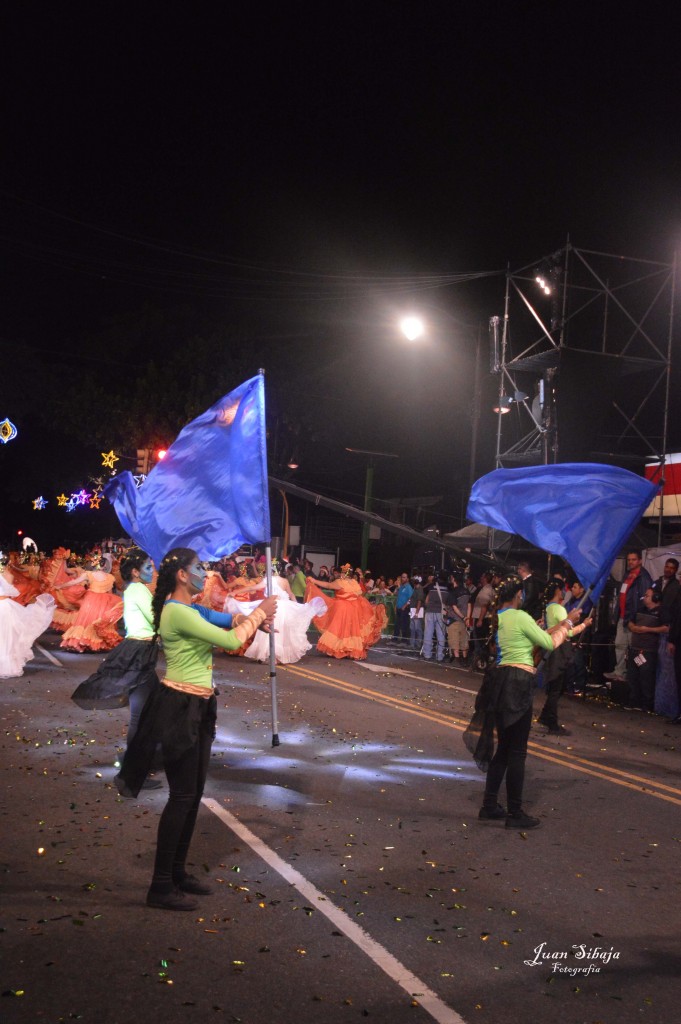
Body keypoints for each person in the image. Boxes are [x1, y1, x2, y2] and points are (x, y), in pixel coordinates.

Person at [115, 547, 277, 911]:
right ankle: (160, 886)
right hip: (178, 708)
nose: (206, 573)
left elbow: (225, 623)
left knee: (194, 792)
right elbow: (233, 641)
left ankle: (177, 873)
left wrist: (250, 618)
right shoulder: (175, 612)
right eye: (199, 568)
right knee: (183, 796)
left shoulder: (190, 610)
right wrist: (260, 614)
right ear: (182, 576)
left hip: (199, 705)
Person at [465, 575, 580, 829]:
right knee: (517, 751)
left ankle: (489, 805)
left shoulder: (501, 617)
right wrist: (568, 622)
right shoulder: (520, 617)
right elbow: (549, 642)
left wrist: (560, 625)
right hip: (518, 682)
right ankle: (515, 812)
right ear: (518, 595)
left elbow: (535, 636)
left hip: (500, 681)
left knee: (504, 749)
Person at [71, 549, 160, 741]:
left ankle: (145, 754)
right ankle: (133, 762)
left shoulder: (133, 588)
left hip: (140, 649)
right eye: (147, 567)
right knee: (142, 709)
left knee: (151, 704)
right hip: (140, 651)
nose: (151, 570)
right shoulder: (139, 589)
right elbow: (155, 620)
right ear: (135, 571)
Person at [225, 562, 326, 663]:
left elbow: (252, 588)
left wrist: (235, 592)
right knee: (280, 631)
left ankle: (271, 655)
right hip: (283, 607)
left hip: (272, 607)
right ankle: (277, 656)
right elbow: (291, 595)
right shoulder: (284, 581)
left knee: (270, 629)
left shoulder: (269, 580)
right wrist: (296, 607)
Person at [537, 580, 592, 734]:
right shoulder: (559, 609)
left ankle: (546, 716)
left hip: (550, 648)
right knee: (557, 688)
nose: (564, 592)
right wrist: (584, 625)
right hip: (560, 649)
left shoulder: (548, 608)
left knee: (555, 686)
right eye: (562, 589)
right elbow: (568, 631)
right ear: (557, 591)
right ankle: (551, 722)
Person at [305, 563, 387, 659]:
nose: (340, 574)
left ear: (344, 573)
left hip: (342, 609)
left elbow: (328, 585)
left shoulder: (340, 582)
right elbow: (360, 593)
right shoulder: (354, 582)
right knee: (351, 630)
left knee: (339, 629)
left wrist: (314, 581)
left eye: (342, 573)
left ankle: (340, 648)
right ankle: (350, 649)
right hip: (354, 609)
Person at [604, 549, 652, 684]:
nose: (630, 562)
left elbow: (644, 602)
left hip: (634, 619)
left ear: (640, 561)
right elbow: (621, 597)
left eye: (633, 559)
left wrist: (634, 619)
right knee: (619, 644)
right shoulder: (627, 575)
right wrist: (617, 615)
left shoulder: (644, 577)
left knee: (632, 648)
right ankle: (619, 671)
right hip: (623, 617)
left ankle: (630, 676)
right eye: (629, 559)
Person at [57, 556, 124, 652]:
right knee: (98, 621)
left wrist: (60, 586)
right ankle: (98, 643)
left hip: (91, 600)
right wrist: (112, 606)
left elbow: (74, 582)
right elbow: (110, 593)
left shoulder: (88, 574)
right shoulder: (110, 577)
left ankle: (82, 642)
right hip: (103, 602)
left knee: (85, 620)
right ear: (104, 565)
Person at [0, 568, 55, 678]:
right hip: (6, 606)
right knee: (7, 637)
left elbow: (9, 589)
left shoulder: (7, 575)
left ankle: (6, 666)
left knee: (7, 637)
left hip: (5, 607)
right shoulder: (8, 574)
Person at [627, 587, 667, 711]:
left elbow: (666, 628)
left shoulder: (662, 612)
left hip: (649, 650)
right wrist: (633, 627)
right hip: (635, 647)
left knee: (646, 678)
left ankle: (646, 704)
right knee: (633, 676)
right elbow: (630, 622)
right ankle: (634, 701)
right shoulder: (640, 609)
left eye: (647, 595)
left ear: (656, 598)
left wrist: (648, 629)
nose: (644, 597)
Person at [422, 572, 450, 662]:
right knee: (441, 634)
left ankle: (427, 654)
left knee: (428, 633)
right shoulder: (447, 589)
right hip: (441, 613)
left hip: (430, 611)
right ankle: (440, 656)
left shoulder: (431, 587)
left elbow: (426, 600)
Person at [392, 572, 413, 643]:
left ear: (407, 579)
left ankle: (404, 641)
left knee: (404, 625)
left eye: (404, 577)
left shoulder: (408, 587)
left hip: (404, 609)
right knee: (397, 625)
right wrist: (396, 606)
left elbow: (411, 598)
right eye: (402, 577)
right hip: (399, 608)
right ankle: (394, 639)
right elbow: (397, 595)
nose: (402, 578)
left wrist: (405, 606)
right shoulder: (401, 587)